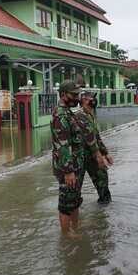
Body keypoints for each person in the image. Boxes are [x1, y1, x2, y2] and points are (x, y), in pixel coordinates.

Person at [51, 80, 106, 235]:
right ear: (63, 94)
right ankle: (67, 236)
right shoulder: (60, 115)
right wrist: (68, 171)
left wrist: (98, 153)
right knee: (66, 204)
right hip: (68, 168)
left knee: (75, 200)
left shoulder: (69, 113)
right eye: (73, 95)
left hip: (76, 166)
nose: (77, 98)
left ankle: (75, 229)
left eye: (78, 95)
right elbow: (62, 145)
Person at [76, 91, 114, 204]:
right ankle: (75, 211)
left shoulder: (90, 114)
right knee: (76, 186)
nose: (93, 101)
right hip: (81, 156)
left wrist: (105, 153)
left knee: (102, 176)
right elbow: (89, 138)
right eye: (90, 99)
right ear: (83, 100)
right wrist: (99, 156)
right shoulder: (80, 115)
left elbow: (96, 136)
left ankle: (104, 209)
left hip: (93, 154)